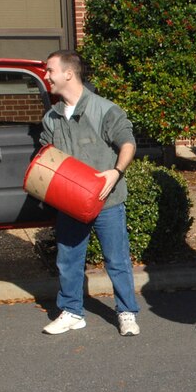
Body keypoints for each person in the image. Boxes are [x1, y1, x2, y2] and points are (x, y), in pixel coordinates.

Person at [39, 49, 140, 336]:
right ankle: (72, 311)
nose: (46, 76)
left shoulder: (104, 109)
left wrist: (116, 172)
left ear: (68, 74)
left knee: (117, 260)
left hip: (107, 201)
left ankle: (127, 312)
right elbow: (47, 155)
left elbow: (128, 143)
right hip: (70, 203)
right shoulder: (52, 118)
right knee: (68, 259)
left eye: (50, 71)